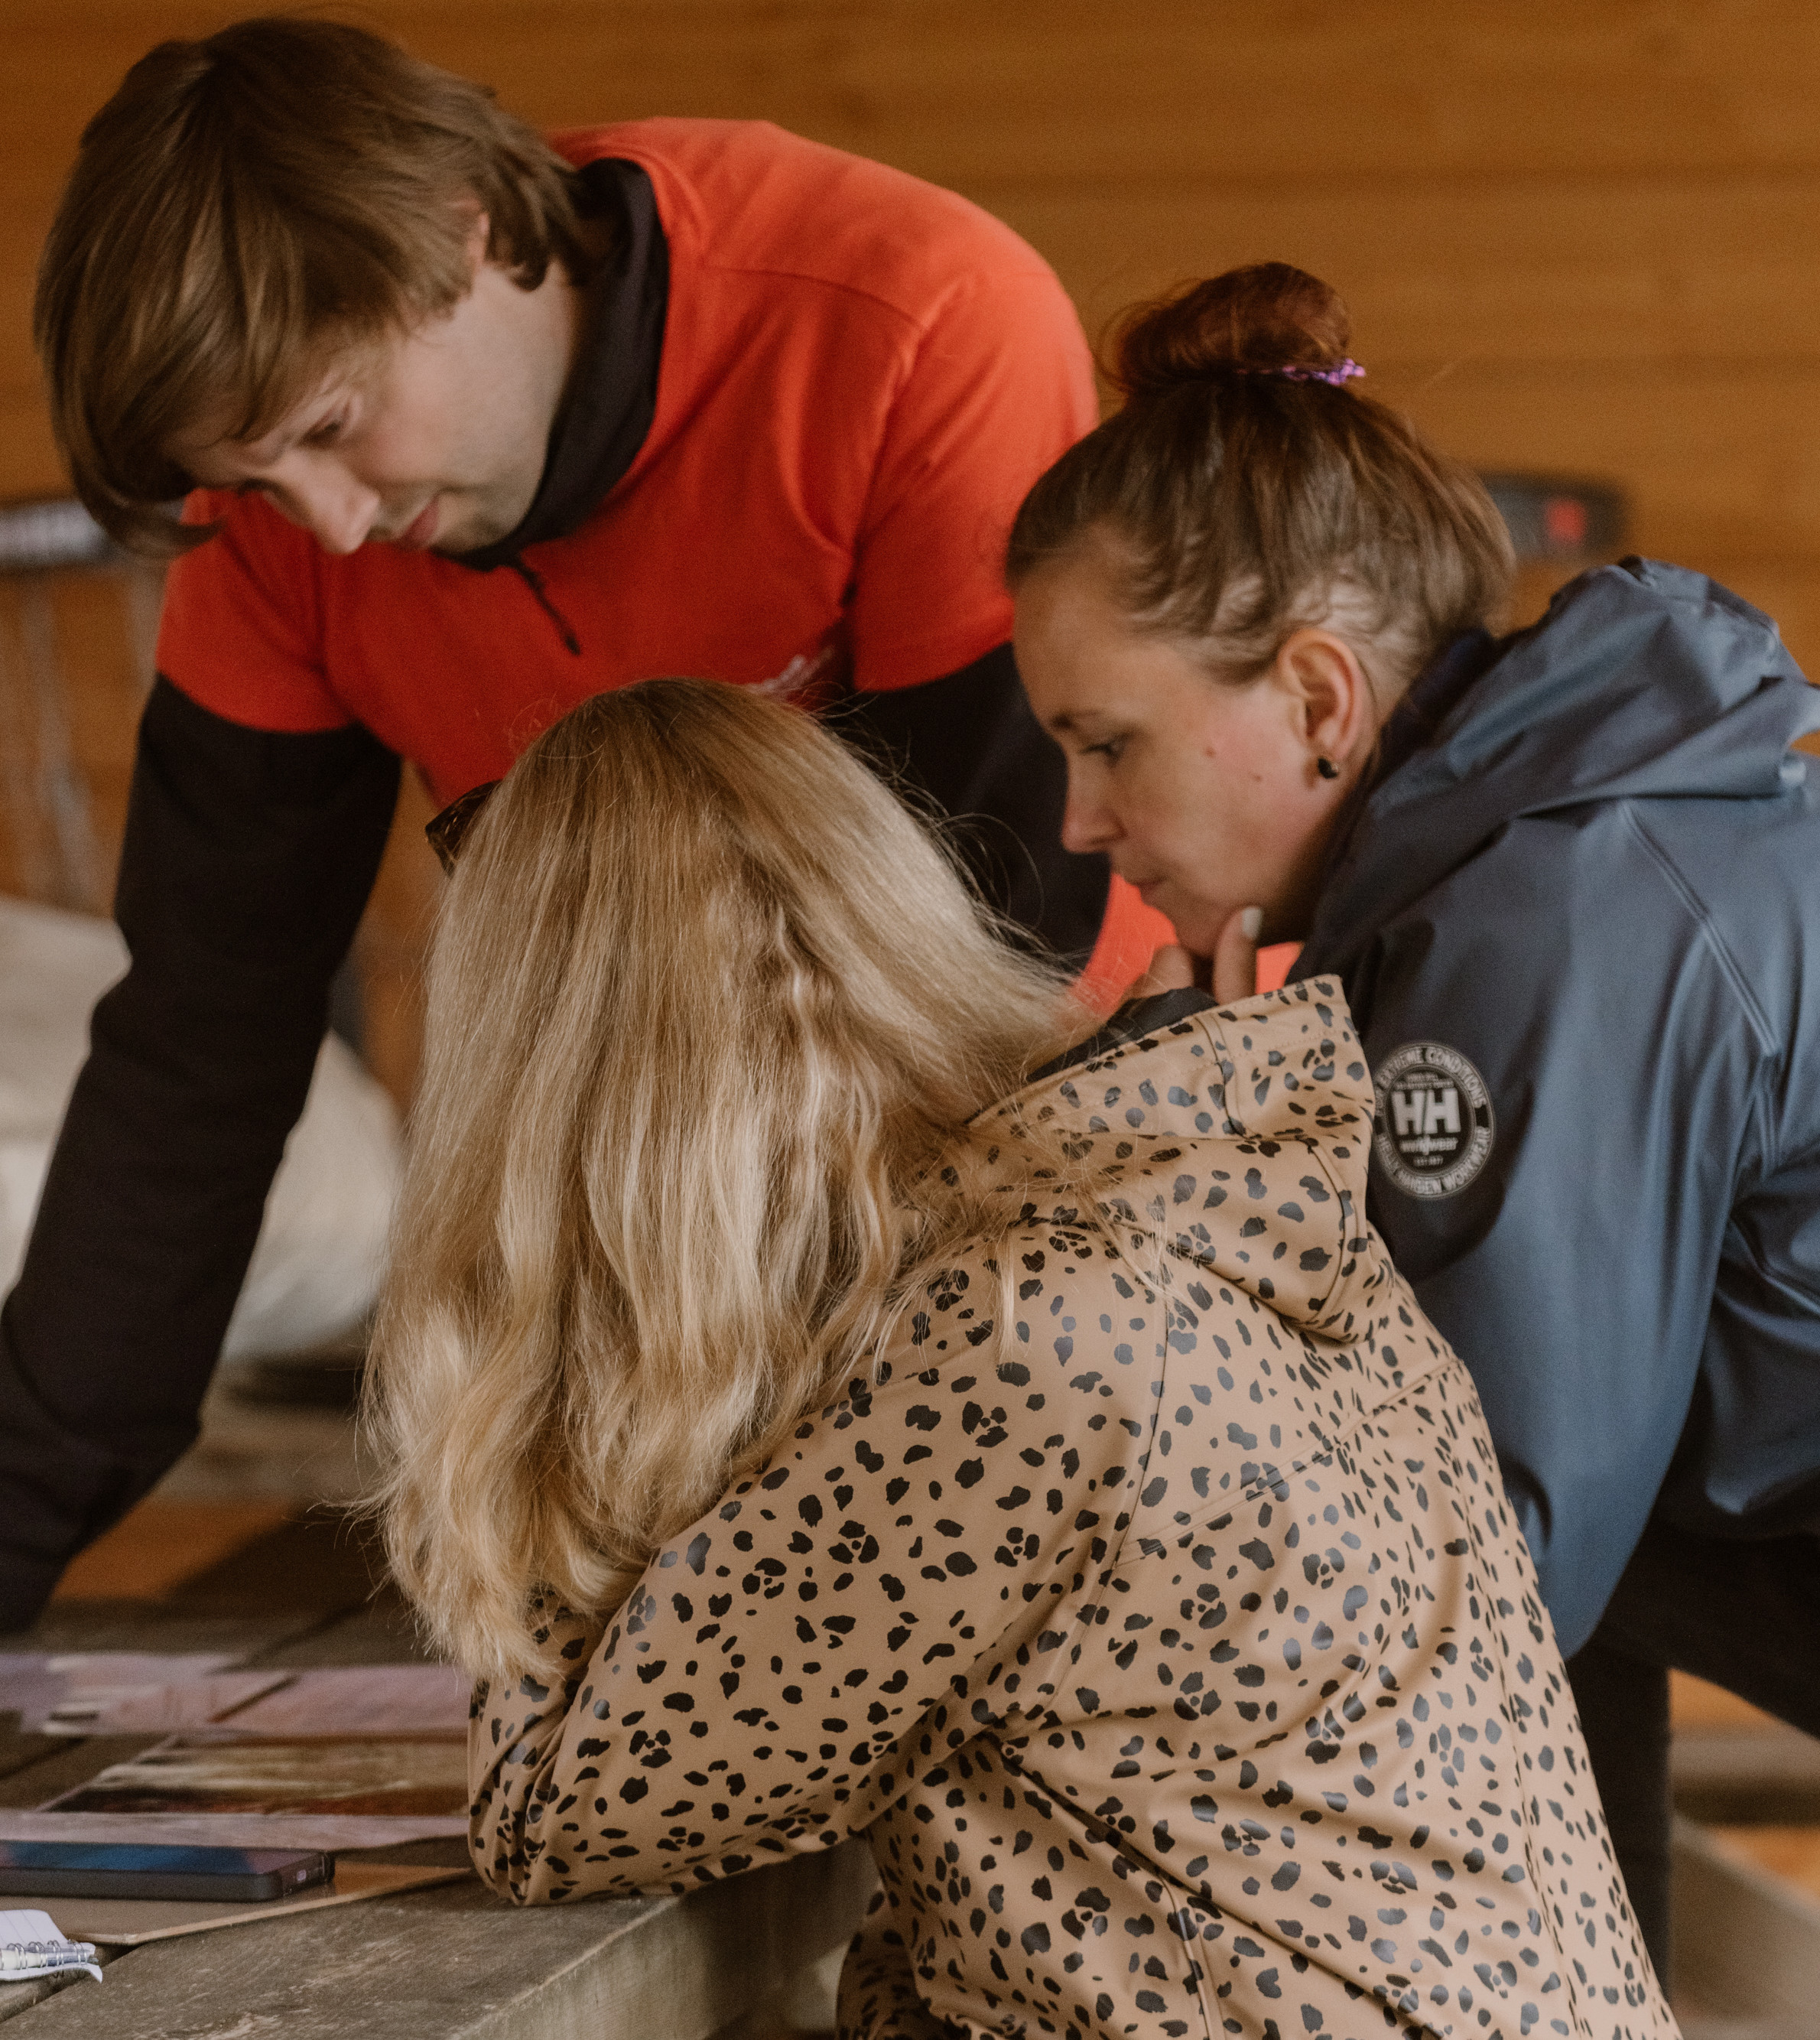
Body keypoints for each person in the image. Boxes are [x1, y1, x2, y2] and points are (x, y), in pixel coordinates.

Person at [5, 15, 1117, 1626]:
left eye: (327, 429)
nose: (324, 526)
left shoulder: (912, 316)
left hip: (1048, 1147)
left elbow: (1005, 955)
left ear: (465, 236)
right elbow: (197, 1054)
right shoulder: (275, 525)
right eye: (249, 484)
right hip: (666, 1237)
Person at [368, 675, 1675, 2040]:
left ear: (565, 1107)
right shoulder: (1191, 1219)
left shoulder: (1014, 1341)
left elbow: (555, 1814)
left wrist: (550, 1370)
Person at [1002, 262, 1820, 1973]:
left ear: (1320, 701)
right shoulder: (1559, 845)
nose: (1081, 818)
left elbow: (1475, 1564)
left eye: (1106, 743)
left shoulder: (1545, 926)